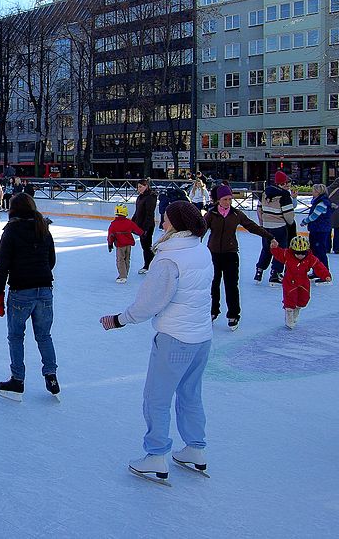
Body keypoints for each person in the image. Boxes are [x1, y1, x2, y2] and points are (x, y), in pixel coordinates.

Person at [99, 201, 213, 484]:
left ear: (176, 224)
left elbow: (148, 303)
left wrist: (120, 319)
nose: (161, 224)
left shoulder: (168, 260)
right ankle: (195, 449)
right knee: (190, 393)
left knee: (157, 398)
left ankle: (157, 455)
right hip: (202, 337)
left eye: (164, 220)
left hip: (175, 338)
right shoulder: (201, 250)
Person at [0, 193, 59, 401]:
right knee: (44, 336)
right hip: (45, 290)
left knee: (16, 337)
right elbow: (51, 260)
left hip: (21, 291)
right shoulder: (43, 228)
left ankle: (17, 380)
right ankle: (52, 377)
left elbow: (2, 265)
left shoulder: (11, 230)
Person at [205, 184, 273, 330]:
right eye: (225, 199)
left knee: (231, 286)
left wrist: (269, 237)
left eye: (230, 199)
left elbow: (252, 226)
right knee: (213, 284)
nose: (228, 202)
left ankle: (233, 314)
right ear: (218, 200)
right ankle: (212, 311)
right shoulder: (211, 214)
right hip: (213, 254)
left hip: (230, 254)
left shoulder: (236, 214)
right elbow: (200, 231)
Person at [269, 235, 332, 329]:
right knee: (290, 299)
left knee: (304, 298)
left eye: (303, 253)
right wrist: (274, 248)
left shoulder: (310, 258)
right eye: (297, 253)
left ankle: (297, 309)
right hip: (290, 281)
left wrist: (326, 275)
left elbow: (319, 266)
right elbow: (278, 253)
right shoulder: (287, 255)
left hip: (303, 281)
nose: (300, 255)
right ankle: (289, 313)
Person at [254, 170, 296, 285]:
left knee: (266, 249)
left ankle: (259, 271)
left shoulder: (265, 192)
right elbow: (288, 215)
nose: (287, 185)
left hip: (266, 227)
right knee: (280, 251)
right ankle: (275, 274)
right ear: (282, 183)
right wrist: (290, 222)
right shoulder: (284, 195)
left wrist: (262, 223)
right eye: (286, 183)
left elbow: (259, 209)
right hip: (279, 227)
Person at [107, 203, 144, 284]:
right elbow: (137, 230)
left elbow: (111, 235)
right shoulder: (129, 222)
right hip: (128, 245)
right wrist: (143, 233)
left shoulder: (113, 224)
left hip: (120, 245)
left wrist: (110, 244)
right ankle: (125, 274)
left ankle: (122, 276)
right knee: (127, 259)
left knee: (120, 260)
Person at [301, 184, 333, 270]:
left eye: (313, 191)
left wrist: (304, 221)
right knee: (315, 251)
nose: (312, 192)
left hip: (320, 230)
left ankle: (324, 272)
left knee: (320, 252)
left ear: (318, 192)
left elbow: (314, 216)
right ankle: (317, 271)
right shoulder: (318, 201)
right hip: (317, 229)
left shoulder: (322, 203)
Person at [133, 179, 157, 274]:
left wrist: (146, 228)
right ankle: (149, 264)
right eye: (138, 187)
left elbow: (149, 214)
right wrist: (132, 223)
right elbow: (137, 212)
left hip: (147, 226)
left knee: (147, 247)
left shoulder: (150, 197)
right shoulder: (140, 197)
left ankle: (148, 265)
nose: (138, 189)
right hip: (140, 225)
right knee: (145, 246)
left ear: (146, 186)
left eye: (140, 187)